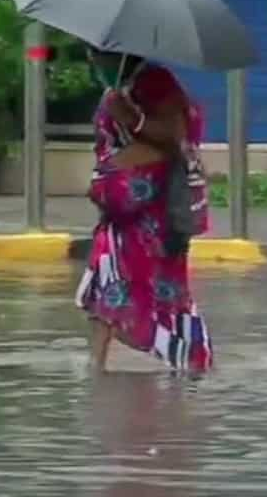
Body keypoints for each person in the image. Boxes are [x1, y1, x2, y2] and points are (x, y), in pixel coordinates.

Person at [75, 49, 214, 375]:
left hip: (154, 213)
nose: (91, 58)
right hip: (120, 213)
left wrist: (131, 118)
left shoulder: (156, 83)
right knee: (107, 276)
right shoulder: (117, 89)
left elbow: (173, 136)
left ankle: (189, 356)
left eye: (95, 53)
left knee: (157, 289)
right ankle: (97, 363)